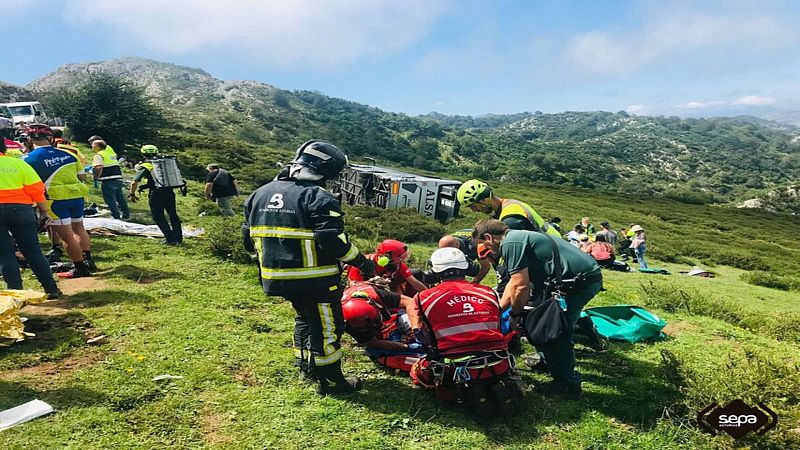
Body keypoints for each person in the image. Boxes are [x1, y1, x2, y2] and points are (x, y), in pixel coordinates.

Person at [243, 140, 376, 395]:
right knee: (328, 328)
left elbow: (248, 241)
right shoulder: (317, 196)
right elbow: (333, 242)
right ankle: (332, 382)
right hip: (316, 280)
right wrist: (362, 262)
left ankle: (306, 367)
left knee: (304, 319)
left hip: (274, 278)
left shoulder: (259, 193)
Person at [473, 219, 602, 398]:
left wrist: (515, 315)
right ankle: (549, 362)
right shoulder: (520, 237)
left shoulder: (510, 242)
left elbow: (520, 286)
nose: (489, 252)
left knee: (555, 330)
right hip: (577, 279)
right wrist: (497, 310)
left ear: (488, 237)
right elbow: (513, 282)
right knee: (539, 322)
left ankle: (566, 384)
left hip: (578, 283)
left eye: (483, 245)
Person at [411, 247, 520, 416]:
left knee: (418, 370)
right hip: (497, 357)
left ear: (435, 272)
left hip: (454, 362)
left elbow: (423, 333)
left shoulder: (423, 297)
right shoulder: (488, 291)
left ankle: (456, 391)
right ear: (466, 268)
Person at [23, 124, 94, 278]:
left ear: (29, 139)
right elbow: (82, 176)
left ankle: (80, 268)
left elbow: (29, 183)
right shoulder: (69, 154)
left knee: (66, 236)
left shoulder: (28, 159)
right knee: (79, 229)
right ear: (51, 138)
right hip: (76, 196)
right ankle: (88, 260)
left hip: (55, 200)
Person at [0, 137, 61, 297]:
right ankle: (51, 289)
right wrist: (44, 212)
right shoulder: (18, 163)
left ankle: (16, 294)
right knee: (32, 251)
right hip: (22, 210)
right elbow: (36, 190)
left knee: (5, 254)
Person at [456, 179, 561, 238]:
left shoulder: (511, 219)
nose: (474, 211)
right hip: (553, 243)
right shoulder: (508, 204)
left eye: (473, 206)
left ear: (484, 200)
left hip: (554, 252)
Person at [129, 145, 184, 245]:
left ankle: (170, 239)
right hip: (169, 191)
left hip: (156, 193)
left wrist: (132, 193)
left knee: (158, 216)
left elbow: (134, 181)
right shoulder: (163, 163)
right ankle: (178, 238)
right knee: (173, 214)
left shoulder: (146, 165)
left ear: (143, 154)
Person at [347, 239, 427, 296]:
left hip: (387, 290)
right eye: (400, 257)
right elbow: (353, 286)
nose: (401, 261)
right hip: (365, 293)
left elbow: (415, 283)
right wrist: (372, 283)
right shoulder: (361, 264)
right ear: (386, 257)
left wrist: (429, 296)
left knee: (417, 273)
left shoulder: (397, 265)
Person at [92, 139, 130, 220]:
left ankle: (115, 216)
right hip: (118, 177)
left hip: (108, 179)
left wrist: (96, 177)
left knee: (110, 199)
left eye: (93, 145)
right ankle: (126, 214)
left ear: (97, 146)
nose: (92, 146)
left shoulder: (99, 155)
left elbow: (99, 167)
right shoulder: (109, 153)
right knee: (120, 198)